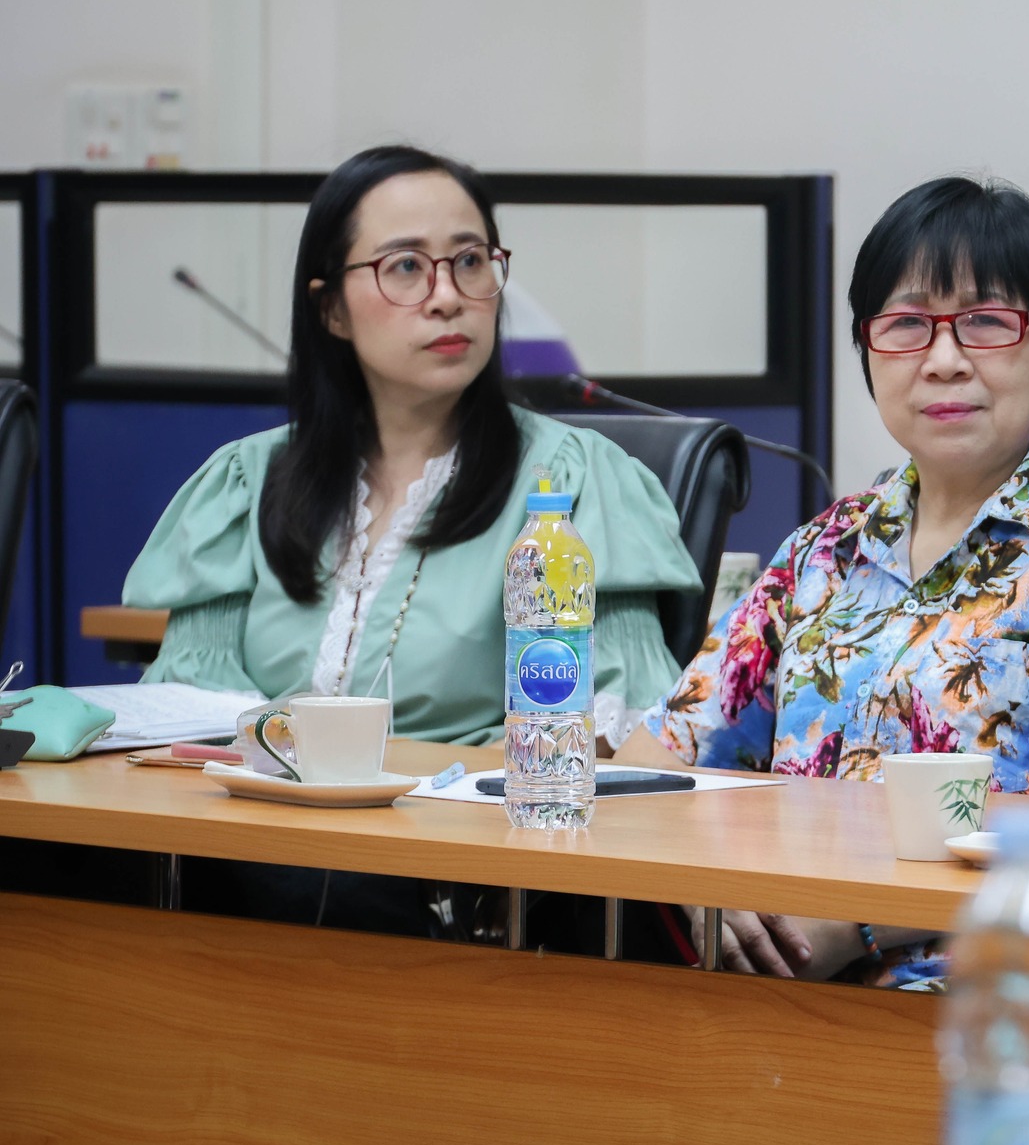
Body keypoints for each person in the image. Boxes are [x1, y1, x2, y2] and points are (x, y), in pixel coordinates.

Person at [619, 176, 1029, 1004]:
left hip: (1027, 1005)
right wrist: (698, 881)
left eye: (986, 321)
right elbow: (653, 769)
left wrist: (865, 916)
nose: (943, 359)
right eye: (905, 325)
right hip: (781, 999)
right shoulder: (823, 551)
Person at [125, 145, 698, 747]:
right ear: (332, 309)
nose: (448, 296)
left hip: (477, 805)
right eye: (405, 266)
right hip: (258, 804)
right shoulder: (246, 484)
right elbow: (192, 711)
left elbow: (617, 726)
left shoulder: (572, 485)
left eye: (470, 260)